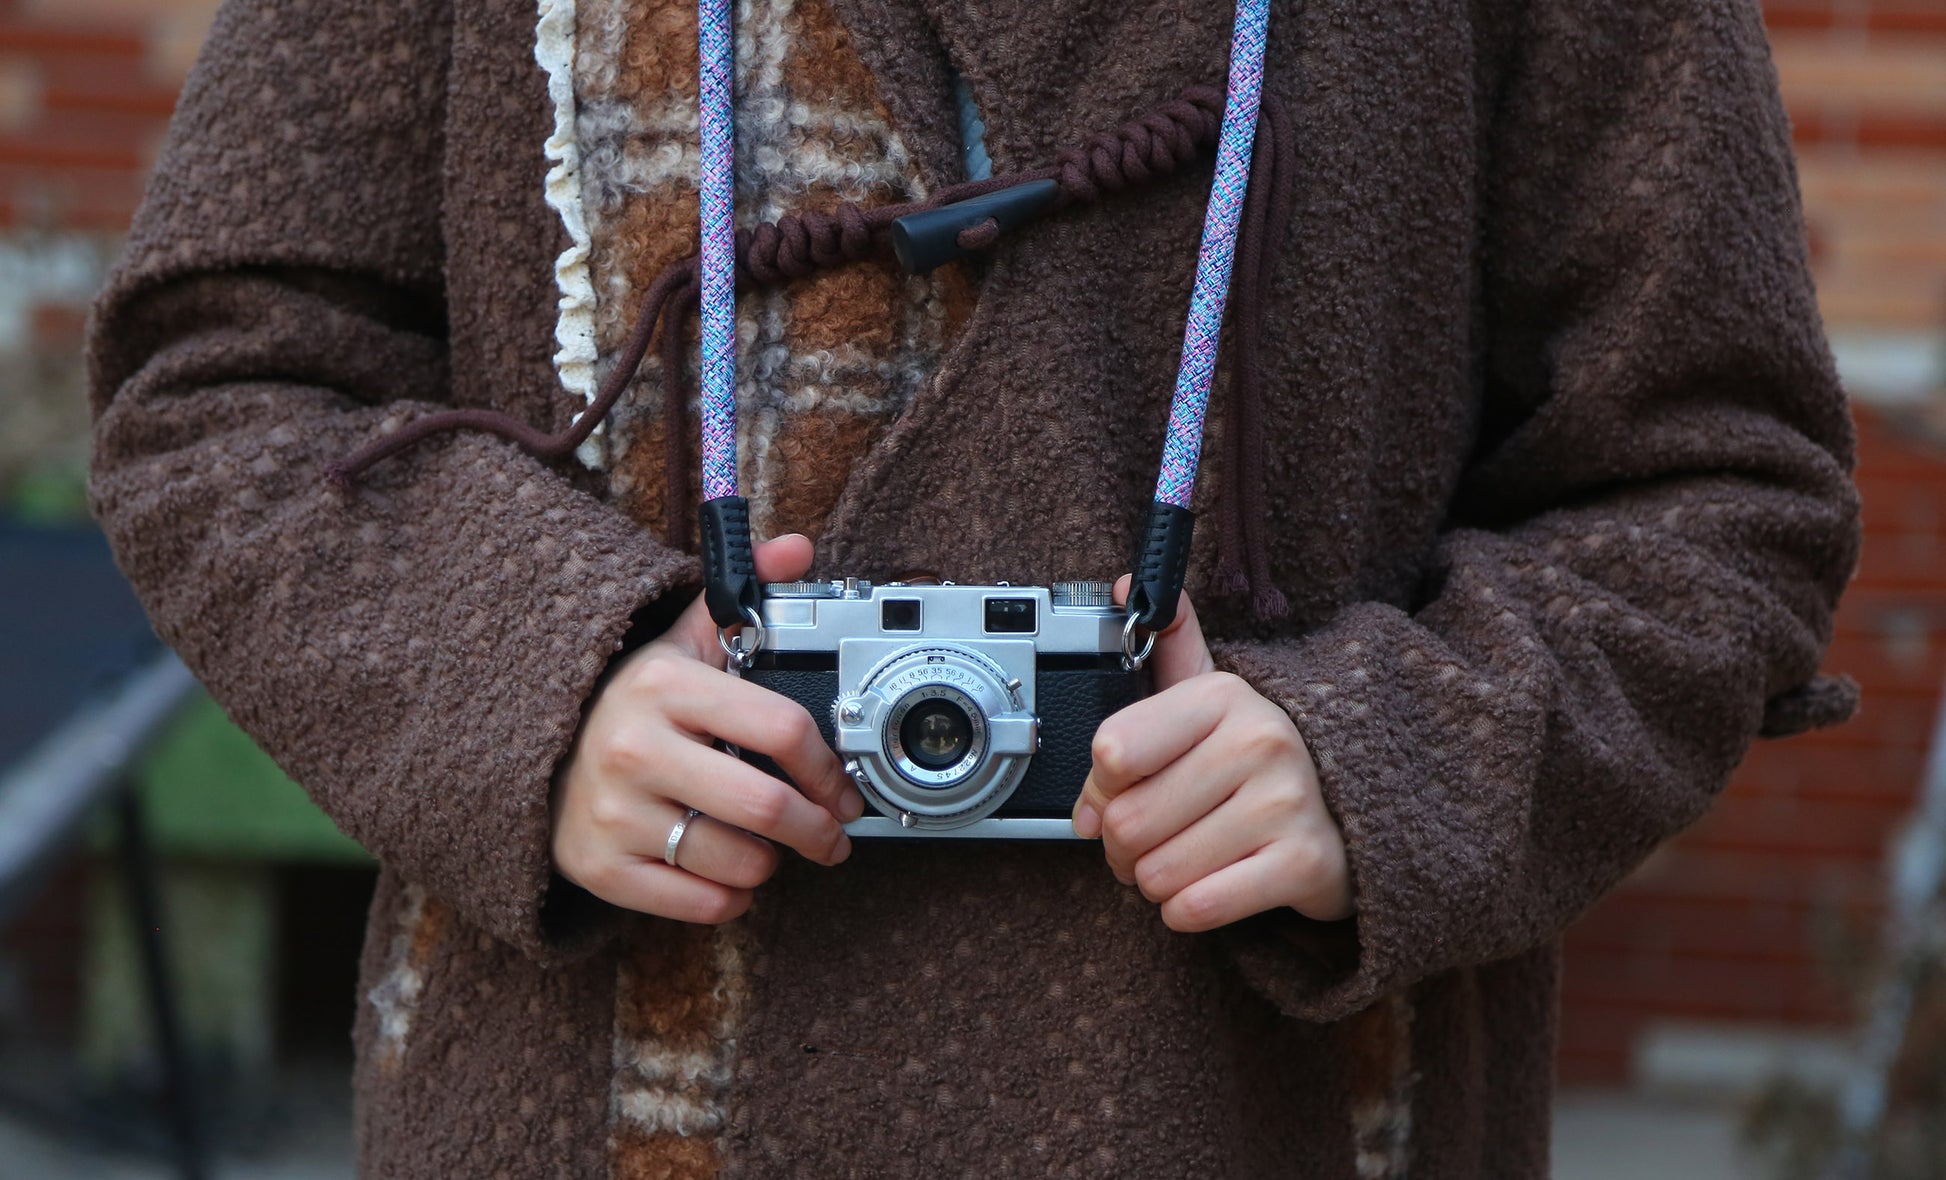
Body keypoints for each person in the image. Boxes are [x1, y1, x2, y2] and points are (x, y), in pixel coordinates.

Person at [87, 0, 1861, 1176]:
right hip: (598, 1101)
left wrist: (1388, 759)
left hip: (1266, 1106)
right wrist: (537, 684)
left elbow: (1713, 487)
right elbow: (228, 386)